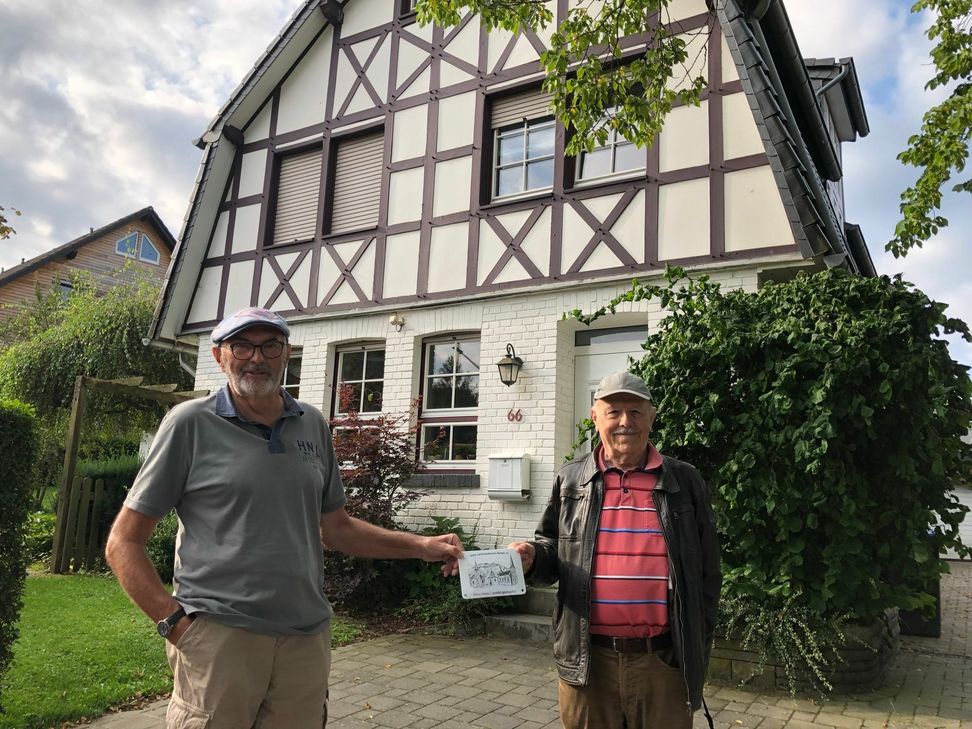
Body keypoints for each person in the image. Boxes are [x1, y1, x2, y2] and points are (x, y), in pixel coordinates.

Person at [105, 307, 462, 729]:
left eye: (270, 346)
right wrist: (176, 625)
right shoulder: (190, 423)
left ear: (286, 354)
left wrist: (421, 546)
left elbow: (338, 528)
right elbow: (123, 542)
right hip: (220, 636)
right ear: (221, 355)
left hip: (305, 639)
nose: (257, 358)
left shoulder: (311, 423)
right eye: (242, 345)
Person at [509, 371, 721, 729]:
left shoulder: (685, 481)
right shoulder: (571, 479)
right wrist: (533, 557)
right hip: (589, 660)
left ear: (652, 417)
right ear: (595, 418)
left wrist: (696, 643)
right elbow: (552, 549)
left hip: (663, 662)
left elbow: (708, 573)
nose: (625, 422)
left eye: (636, 412)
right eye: (614, 412)